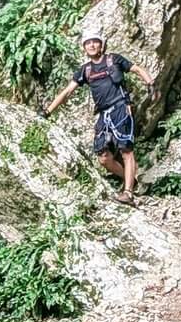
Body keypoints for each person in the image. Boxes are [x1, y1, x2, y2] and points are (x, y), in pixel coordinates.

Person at [44, 32, 151, 204]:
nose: (92, 45)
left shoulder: (114, 60)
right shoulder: (85, 70)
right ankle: (132, 180)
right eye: (88, 43)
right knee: (103, 157)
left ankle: (128, 193)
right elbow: (67, 92)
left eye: (95, 42)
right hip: (103, 114)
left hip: (121, 109)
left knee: (126, 150)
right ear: (84, 47)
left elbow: (137, 69)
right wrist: (48, 111)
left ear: (101, 45)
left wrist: (151, 85)